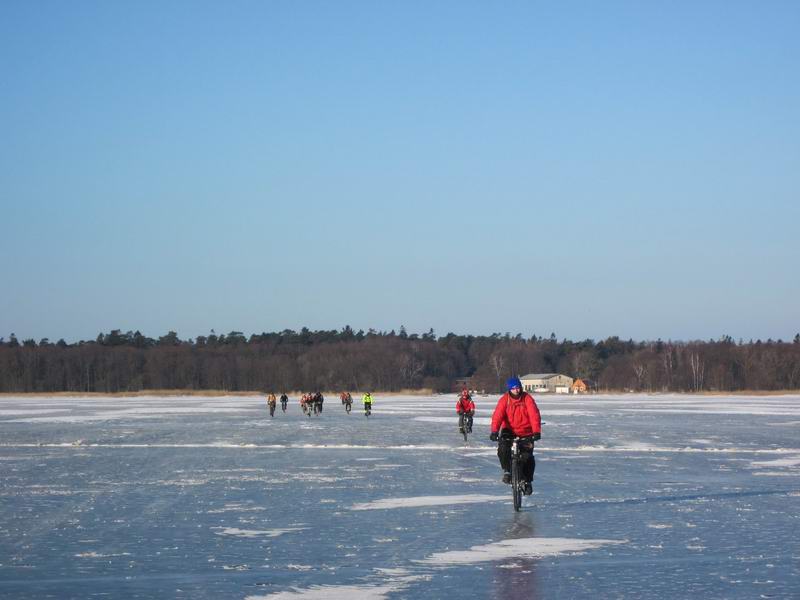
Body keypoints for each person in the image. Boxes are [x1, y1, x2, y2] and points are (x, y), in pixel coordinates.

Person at [489, 376, 541, 496]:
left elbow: (534, 415)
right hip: (509, 430)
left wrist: (536, 431)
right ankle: (507, 471)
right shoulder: (504, 400)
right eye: (514, 388)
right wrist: (494, 431)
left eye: (518, 388)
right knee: (503, 449)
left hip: (526, 431)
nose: (517, 390)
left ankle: (527, 481)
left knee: (528, 457)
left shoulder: (527, 398)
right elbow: (497, 416)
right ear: (509, 389)